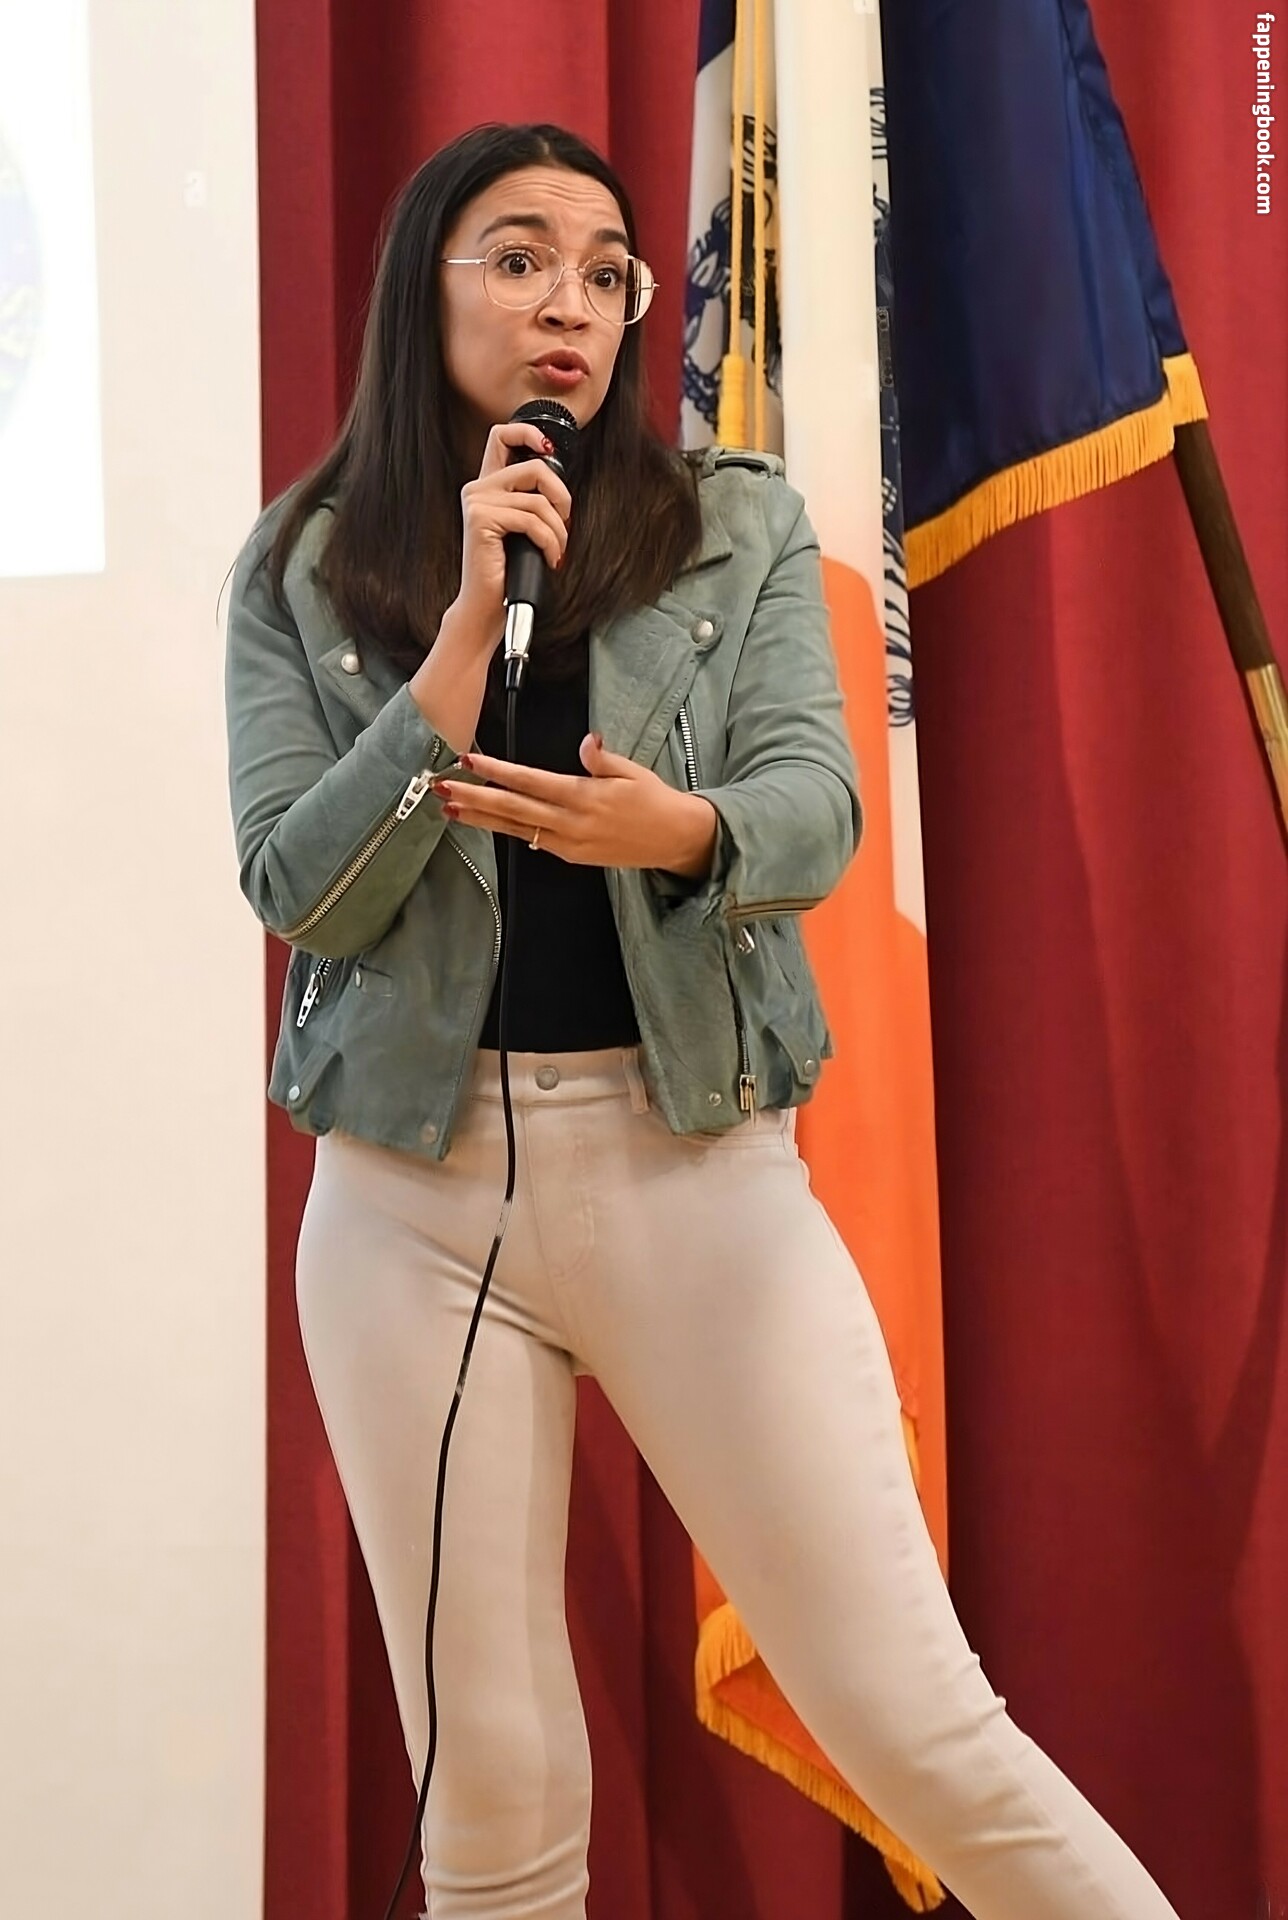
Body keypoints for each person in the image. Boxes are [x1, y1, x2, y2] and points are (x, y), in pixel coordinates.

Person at [224, 120, 1182, 1920]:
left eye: (606, 272)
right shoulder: (303, 560)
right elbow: (299, 889)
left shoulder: (731, 524)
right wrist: (456, 654)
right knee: (490, 1790)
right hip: (411, 1206)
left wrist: (683, 834)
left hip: (695, 1170)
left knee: (920, 1724)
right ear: (424, 290)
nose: (569, 305)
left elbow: (817, 807)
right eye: (520, 259)